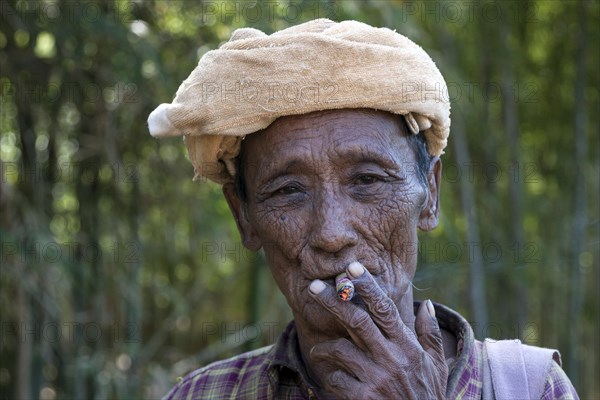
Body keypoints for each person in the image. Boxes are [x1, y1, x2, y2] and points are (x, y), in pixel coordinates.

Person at [148, 19, 579, 399]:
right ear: (244, 216)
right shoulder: (202, 394)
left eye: (368, 181)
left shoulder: (530, 388)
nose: (332, 233)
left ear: (429, 194)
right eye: (289, 191)